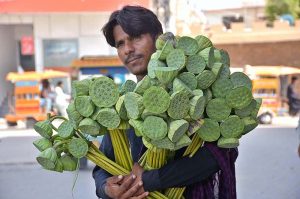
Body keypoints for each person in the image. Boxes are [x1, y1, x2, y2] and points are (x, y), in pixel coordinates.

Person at [93, 5, 238, 199]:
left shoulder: (196, 93)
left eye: (136, 37)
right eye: (120, 43)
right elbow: (102, 165)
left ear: (159, 38)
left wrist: (149, 180)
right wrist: (106, 188)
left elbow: (220, 154)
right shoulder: (120, 104)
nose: (128, 49)